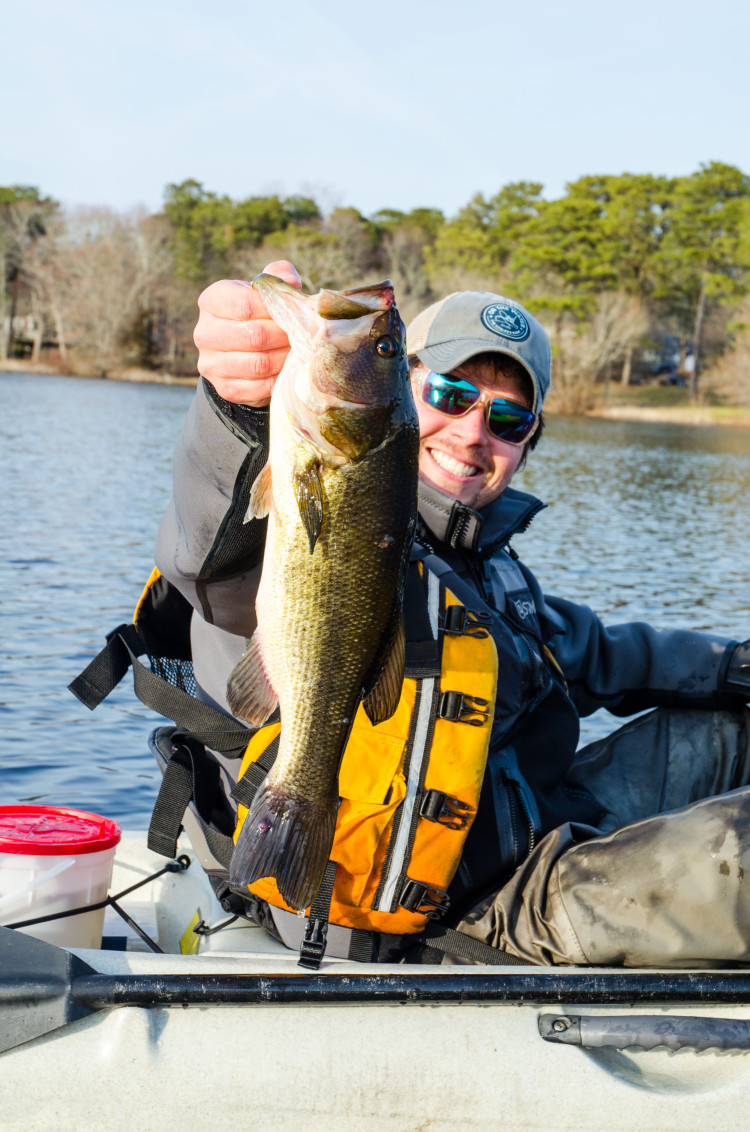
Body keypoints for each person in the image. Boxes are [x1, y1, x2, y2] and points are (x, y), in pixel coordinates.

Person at [151, 259, 750, 967]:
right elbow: (211, 556)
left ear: (527, 443)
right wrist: (237, 408)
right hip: (463, 913)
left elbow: (603, 652)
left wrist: (738, 665)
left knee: (734, 729)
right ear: (404, 393)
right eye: (450, 393)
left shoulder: (489, 568)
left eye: (508, 418)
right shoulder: (313, 493)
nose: (472, 433)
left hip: (535, 841)